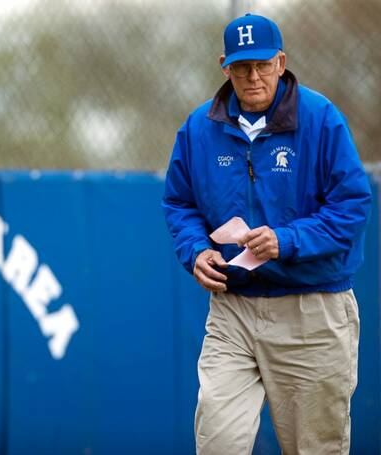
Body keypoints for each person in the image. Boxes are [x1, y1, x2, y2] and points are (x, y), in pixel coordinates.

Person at [161, 13, 372, 455]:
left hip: (311, 308)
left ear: (281, 62)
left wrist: (287, 240)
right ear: (225, 66)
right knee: (218, 442)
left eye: (262, 65)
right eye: (241, 67)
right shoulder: (200, 128)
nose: (252, 77)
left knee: (315, 448)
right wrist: (196, 250)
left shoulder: (320, 119)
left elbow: (352, 206)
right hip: (233, 309)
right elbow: (180, 203)